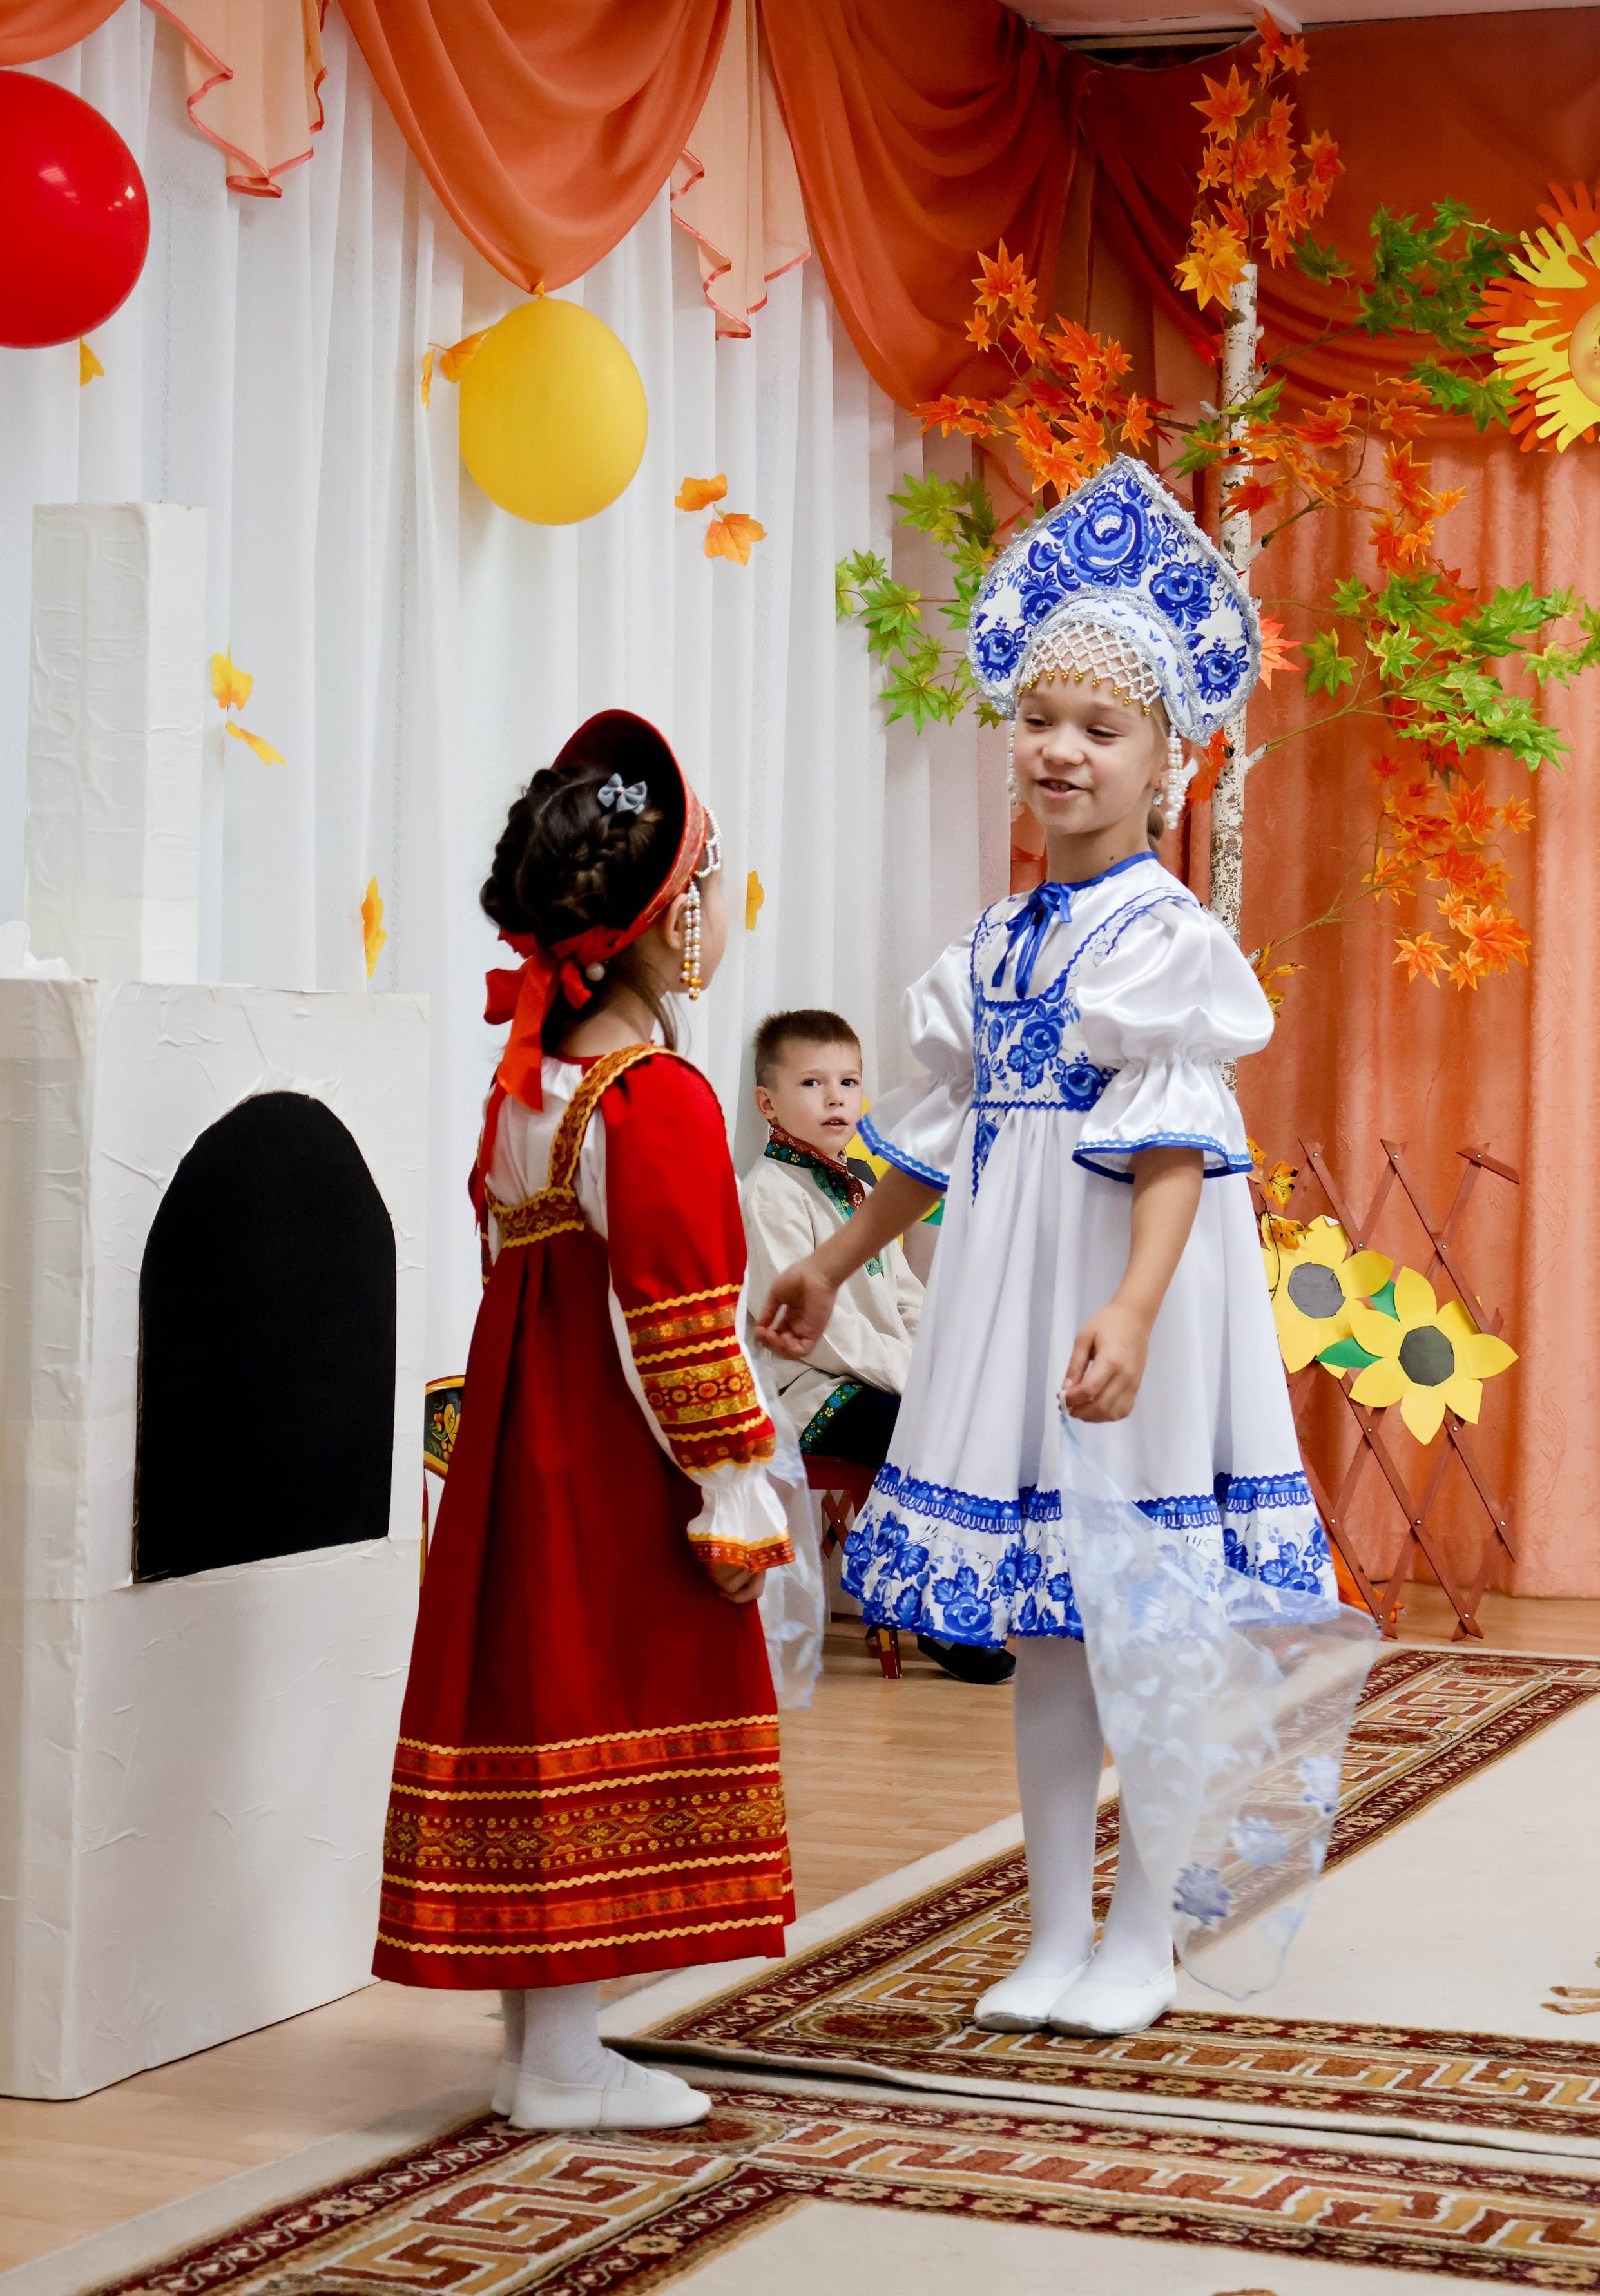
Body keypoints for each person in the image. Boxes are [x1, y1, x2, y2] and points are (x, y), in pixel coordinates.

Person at [757, 456, 1336, 2039]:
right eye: (1039, 720)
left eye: (1102, 726)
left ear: (1164, 760)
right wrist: (837, 1253)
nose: (1059, 750)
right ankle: (1051, 1923)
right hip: (1013, 1300)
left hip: (1128, 1290)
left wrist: (1135, 1307)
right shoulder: (989, 946)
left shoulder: (1163, 939)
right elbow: (937, 1141)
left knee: (1139, 1607)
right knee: (1042, 1622)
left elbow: (1171, 1144)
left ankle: (1144, 1928)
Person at [375, 710, 795, 2130]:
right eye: (716, 887)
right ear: (669, 929)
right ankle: (557, 2065)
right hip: (611, 1470)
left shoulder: (530, 1084)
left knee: (539, 1710)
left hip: (520, 1449)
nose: (727, 913)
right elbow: (677, 1322)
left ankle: (540, 2047)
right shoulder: (656, 1099)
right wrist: (735, 1476)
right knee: (599, 1701)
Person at [742, 1009, 1012, 1686]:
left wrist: (939, 1365)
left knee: (964, 1419)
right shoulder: (767, 1194)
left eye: (848, 1081)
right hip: (807, 1389)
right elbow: (816, 1325)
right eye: (812, 1082)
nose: (835, 1098)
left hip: (877, 1376)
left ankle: (968, 1597)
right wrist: (913, 1380)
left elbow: (904, 1297)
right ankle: (926, 1612)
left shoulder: (861, 1190)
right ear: (767, 1103)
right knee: (910, 1430)